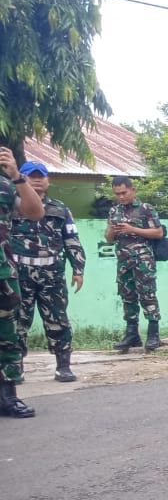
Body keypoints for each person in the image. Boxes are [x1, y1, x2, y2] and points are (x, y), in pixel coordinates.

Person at [10, 161, 86, 383]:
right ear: (20, 178)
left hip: (51, 273)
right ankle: (15, 368)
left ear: (48, 180)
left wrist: (78, 269)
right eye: (31, 175)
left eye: (41, 176)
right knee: (16, 322)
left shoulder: (60, 209)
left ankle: (63, 366)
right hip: (18, 272)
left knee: (58, 320)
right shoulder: (9, 206)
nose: (36, 179)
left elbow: (71, 240)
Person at [0, 146, 48, 417]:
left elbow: (35, 212)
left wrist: (18, 176)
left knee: (7, 335)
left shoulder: (6, 186)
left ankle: (8, 397)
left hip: (3, 272)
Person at [105, 176, 164, 352]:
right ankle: (132, 334)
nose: (121, 197)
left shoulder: (146, 209)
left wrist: (132, 229)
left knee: (147, 294)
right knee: (127, 296)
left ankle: (153, 334)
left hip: (143, 260)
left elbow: (158, 232)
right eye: (117, 194)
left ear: (133, 190)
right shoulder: (114, 211)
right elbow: (108, 239)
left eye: (123, 193)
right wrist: (112, 230)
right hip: (123, 260)